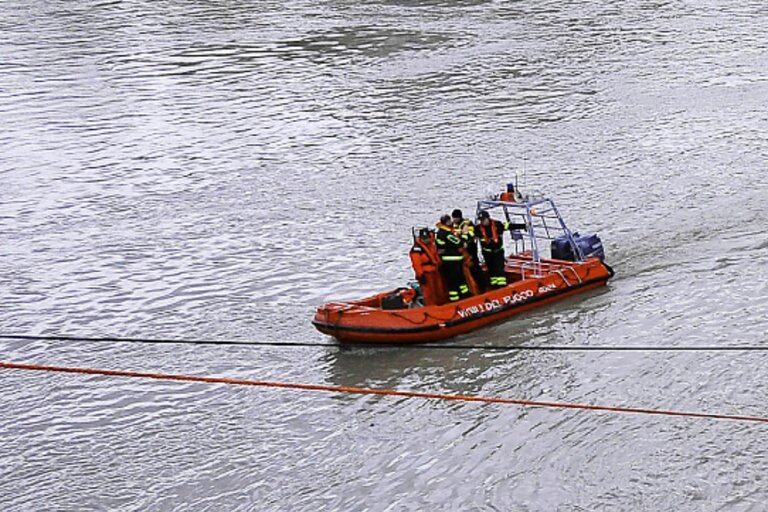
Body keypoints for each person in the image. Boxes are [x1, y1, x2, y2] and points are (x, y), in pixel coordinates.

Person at [475, 211, 526, 288]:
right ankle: (494, 286)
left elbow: (509, 226)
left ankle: (502, 287)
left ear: (488, 218)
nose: (483, 222)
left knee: (499, 269)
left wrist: (523, 226)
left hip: (498, 251)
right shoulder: (477, 229)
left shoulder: (497, 224)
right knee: (491, 270)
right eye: (481, 220)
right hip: (487, 253)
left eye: (484, 219)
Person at [436, 214, 470, 301]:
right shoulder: (446, 234)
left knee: (459, 278)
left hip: (452, 260)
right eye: (449, 221)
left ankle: (464, 295)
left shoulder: (442, 232)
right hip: (451, 260)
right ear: (446, 222)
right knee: (455, 279)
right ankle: (457, 298)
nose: (451, 222)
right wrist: (465, 237)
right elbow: (458, 242)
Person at [451, 208, 483, 293]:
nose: (453, 220)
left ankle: (481, 285)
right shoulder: (455, 225)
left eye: (454, 218)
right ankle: (473, 286)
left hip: (470, 247)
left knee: (475, 266)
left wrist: (463, 240)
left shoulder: (467, 224)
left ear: (458, 217)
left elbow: (470, 234)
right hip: (462, 250)